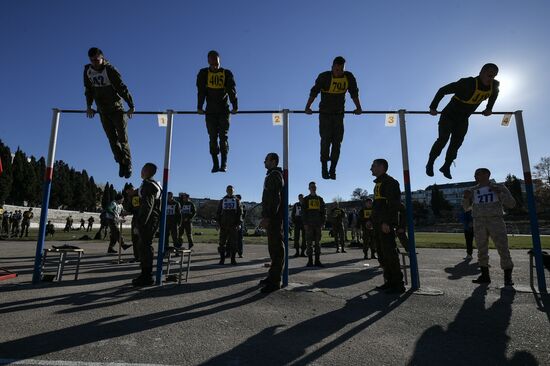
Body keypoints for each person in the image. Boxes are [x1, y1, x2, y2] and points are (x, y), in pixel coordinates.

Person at [426, 63, 500, 179]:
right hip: (449, 115)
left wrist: (489, 109)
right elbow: (442, 90)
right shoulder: (467, 83)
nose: (490, 79)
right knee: (443, 139)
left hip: (463, 119)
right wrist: (433, 107)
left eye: (493, 76)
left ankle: (446, 166)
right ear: (481, 72)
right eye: (489, 75)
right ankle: (430, 162)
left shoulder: (494, 86)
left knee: (456, 143)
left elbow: (494, 96)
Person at [305, 56, 362, 180]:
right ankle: (324, 166)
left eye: (341, 70)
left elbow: (354, 92)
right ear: (332, 68)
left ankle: (333, 168)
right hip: (325, 114)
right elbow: (314, 91)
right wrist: (307, 107)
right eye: (336, 69)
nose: (338, 72)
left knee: (337, 142)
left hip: (338, 114)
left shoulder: (349, 77)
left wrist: (358, 108)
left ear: (344, 69)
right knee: (326, 140)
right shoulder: (324, 77)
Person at [84, 47, 135, 179]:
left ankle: (128, 163)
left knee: (122, 138)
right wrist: (89, 106)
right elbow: (88, 90)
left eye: (97, 60)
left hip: (117, 109)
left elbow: (122, 88)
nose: (94, 63)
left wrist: (131, 105)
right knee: (112, 139)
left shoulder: (110, 70)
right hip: (102, 110)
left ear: (102, 58)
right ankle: (121, 162)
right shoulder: (88, 71)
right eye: (92, 60)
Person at [463, 168, 515, 286]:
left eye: (479, 174)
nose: (476, 176)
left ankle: (508, 277)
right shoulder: (472, 190)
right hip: (479, 222)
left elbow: (512, 204)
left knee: (502, 248)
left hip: (495, 220)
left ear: (487, 174)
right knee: (481, 249)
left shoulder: (499, 187)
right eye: (475, 174)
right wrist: (466, 198)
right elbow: (466, 208)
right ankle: (484, 275)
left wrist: (499, 193)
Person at [196, 50, 238, 173]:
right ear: (208, 61)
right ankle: (215, 163)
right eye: (212, 63)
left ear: (219, 61)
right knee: (212, 137)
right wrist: (199, 107)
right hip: (210, 111)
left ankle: (224, 163)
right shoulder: (203, 73)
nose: (215, 66)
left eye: (217, 63)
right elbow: (201, 91)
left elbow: (232, 90)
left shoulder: (226, 73)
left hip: (224, 109)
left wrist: (235, 105)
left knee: (223, 137)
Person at [371, 159, 405, 294]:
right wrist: (370, 219)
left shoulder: (390, 182)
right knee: (382, 254)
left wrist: (387, 222)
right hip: (378, 223)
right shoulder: (378, 184)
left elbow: (392, 204)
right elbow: (378, 205)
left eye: (373, 166)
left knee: (390, 254)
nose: (370, 168)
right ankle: (389, 281)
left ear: (381, 167)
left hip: (385, 224)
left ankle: (398, 284)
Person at [258, 153, 285, 293]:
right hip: (272, 217)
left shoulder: (275, 175)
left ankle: (275, 282)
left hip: (274, 218)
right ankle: (272, 277)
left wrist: (267, 217)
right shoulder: (272, 175)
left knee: (276, 249)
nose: (264, 162)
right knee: (273, 249)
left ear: (273, 161)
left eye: (266, 159)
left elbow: (275, 198)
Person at [132, 162, 162, 286]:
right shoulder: (153, 184)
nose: (141, 171)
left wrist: (140, 224)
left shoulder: (148, 185)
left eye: (143, 169)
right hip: (151, 220)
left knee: (144, 247)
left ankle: (146, 276)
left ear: (147, 171)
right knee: (144, 247)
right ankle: (145, 274)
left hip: (148, 221)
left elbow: (147, 207)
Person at [216, 185, 243, 265]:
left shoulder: (237, 201)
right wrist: (217, 223)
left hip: (233, 225)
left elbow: (240, 213)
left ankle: (233, 259)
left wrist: (239, 223)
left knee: (233, 243)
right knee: (221, 243)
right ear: (226, 191)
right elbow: (218, 212)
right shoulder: (222, 200)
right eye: (228, 190)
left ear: (233, 191)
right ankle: (222, 259)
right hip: (223, 225)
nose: (230, 191)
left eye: (231, 190)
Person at [302, 181, 327, 267]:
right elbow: (303, 213)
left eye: (314, 186)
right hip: (309, 224)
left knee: (317, 243)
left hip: (318, 224)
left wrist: (323, 222)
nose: (313, 188)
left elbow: (324, 212)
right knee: (309, 243)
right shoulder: (306, 200)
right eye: (311, 187)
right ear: (309, 188)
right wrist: (305, 223)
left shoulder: (320, 199)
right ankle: (310, 261)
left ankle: (317, 260)